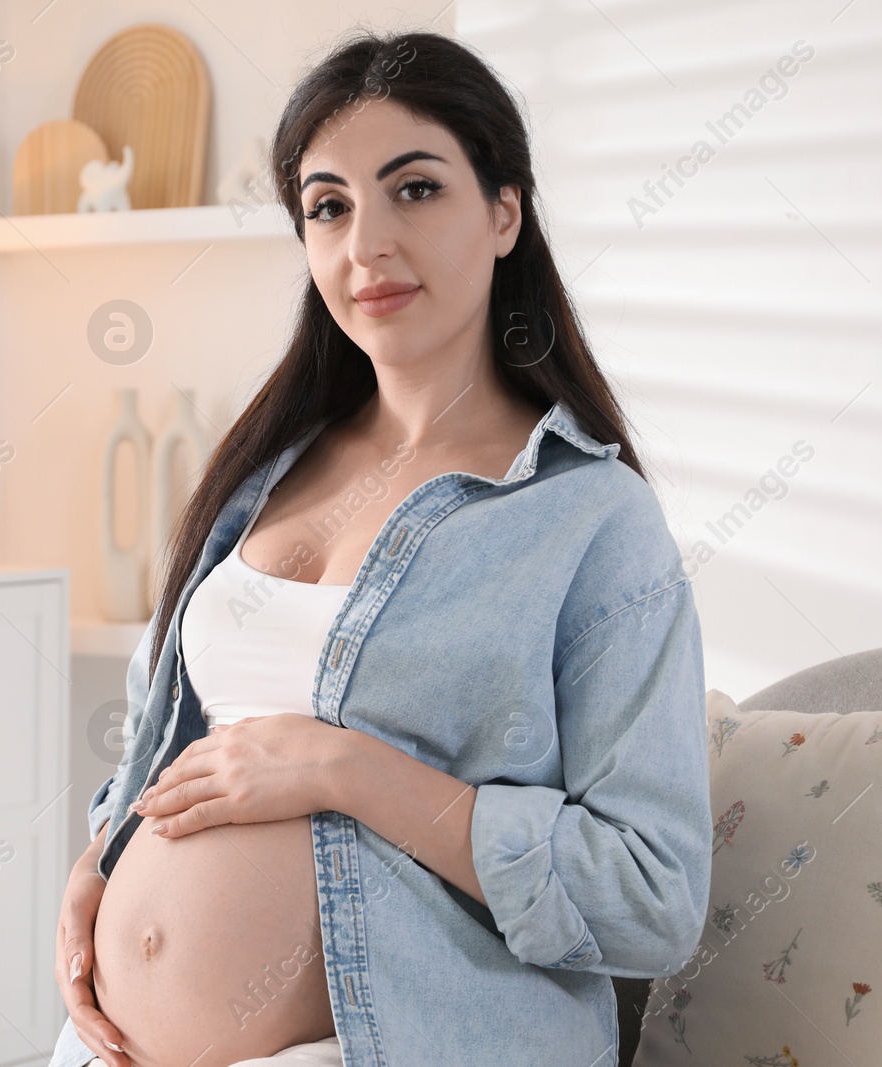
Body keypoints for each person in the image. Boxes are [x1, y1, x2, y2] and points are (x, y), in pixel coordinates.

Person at [51, 28, 712, 1067]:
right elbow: (163, 740)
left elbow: (650, 897)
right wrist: (101, 858)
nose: (366, 245)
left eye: (414, 190)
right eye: (329, 206)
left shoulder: (591, 519)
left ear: (503, 213)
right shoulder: (256, 474)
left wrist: (343, 767)